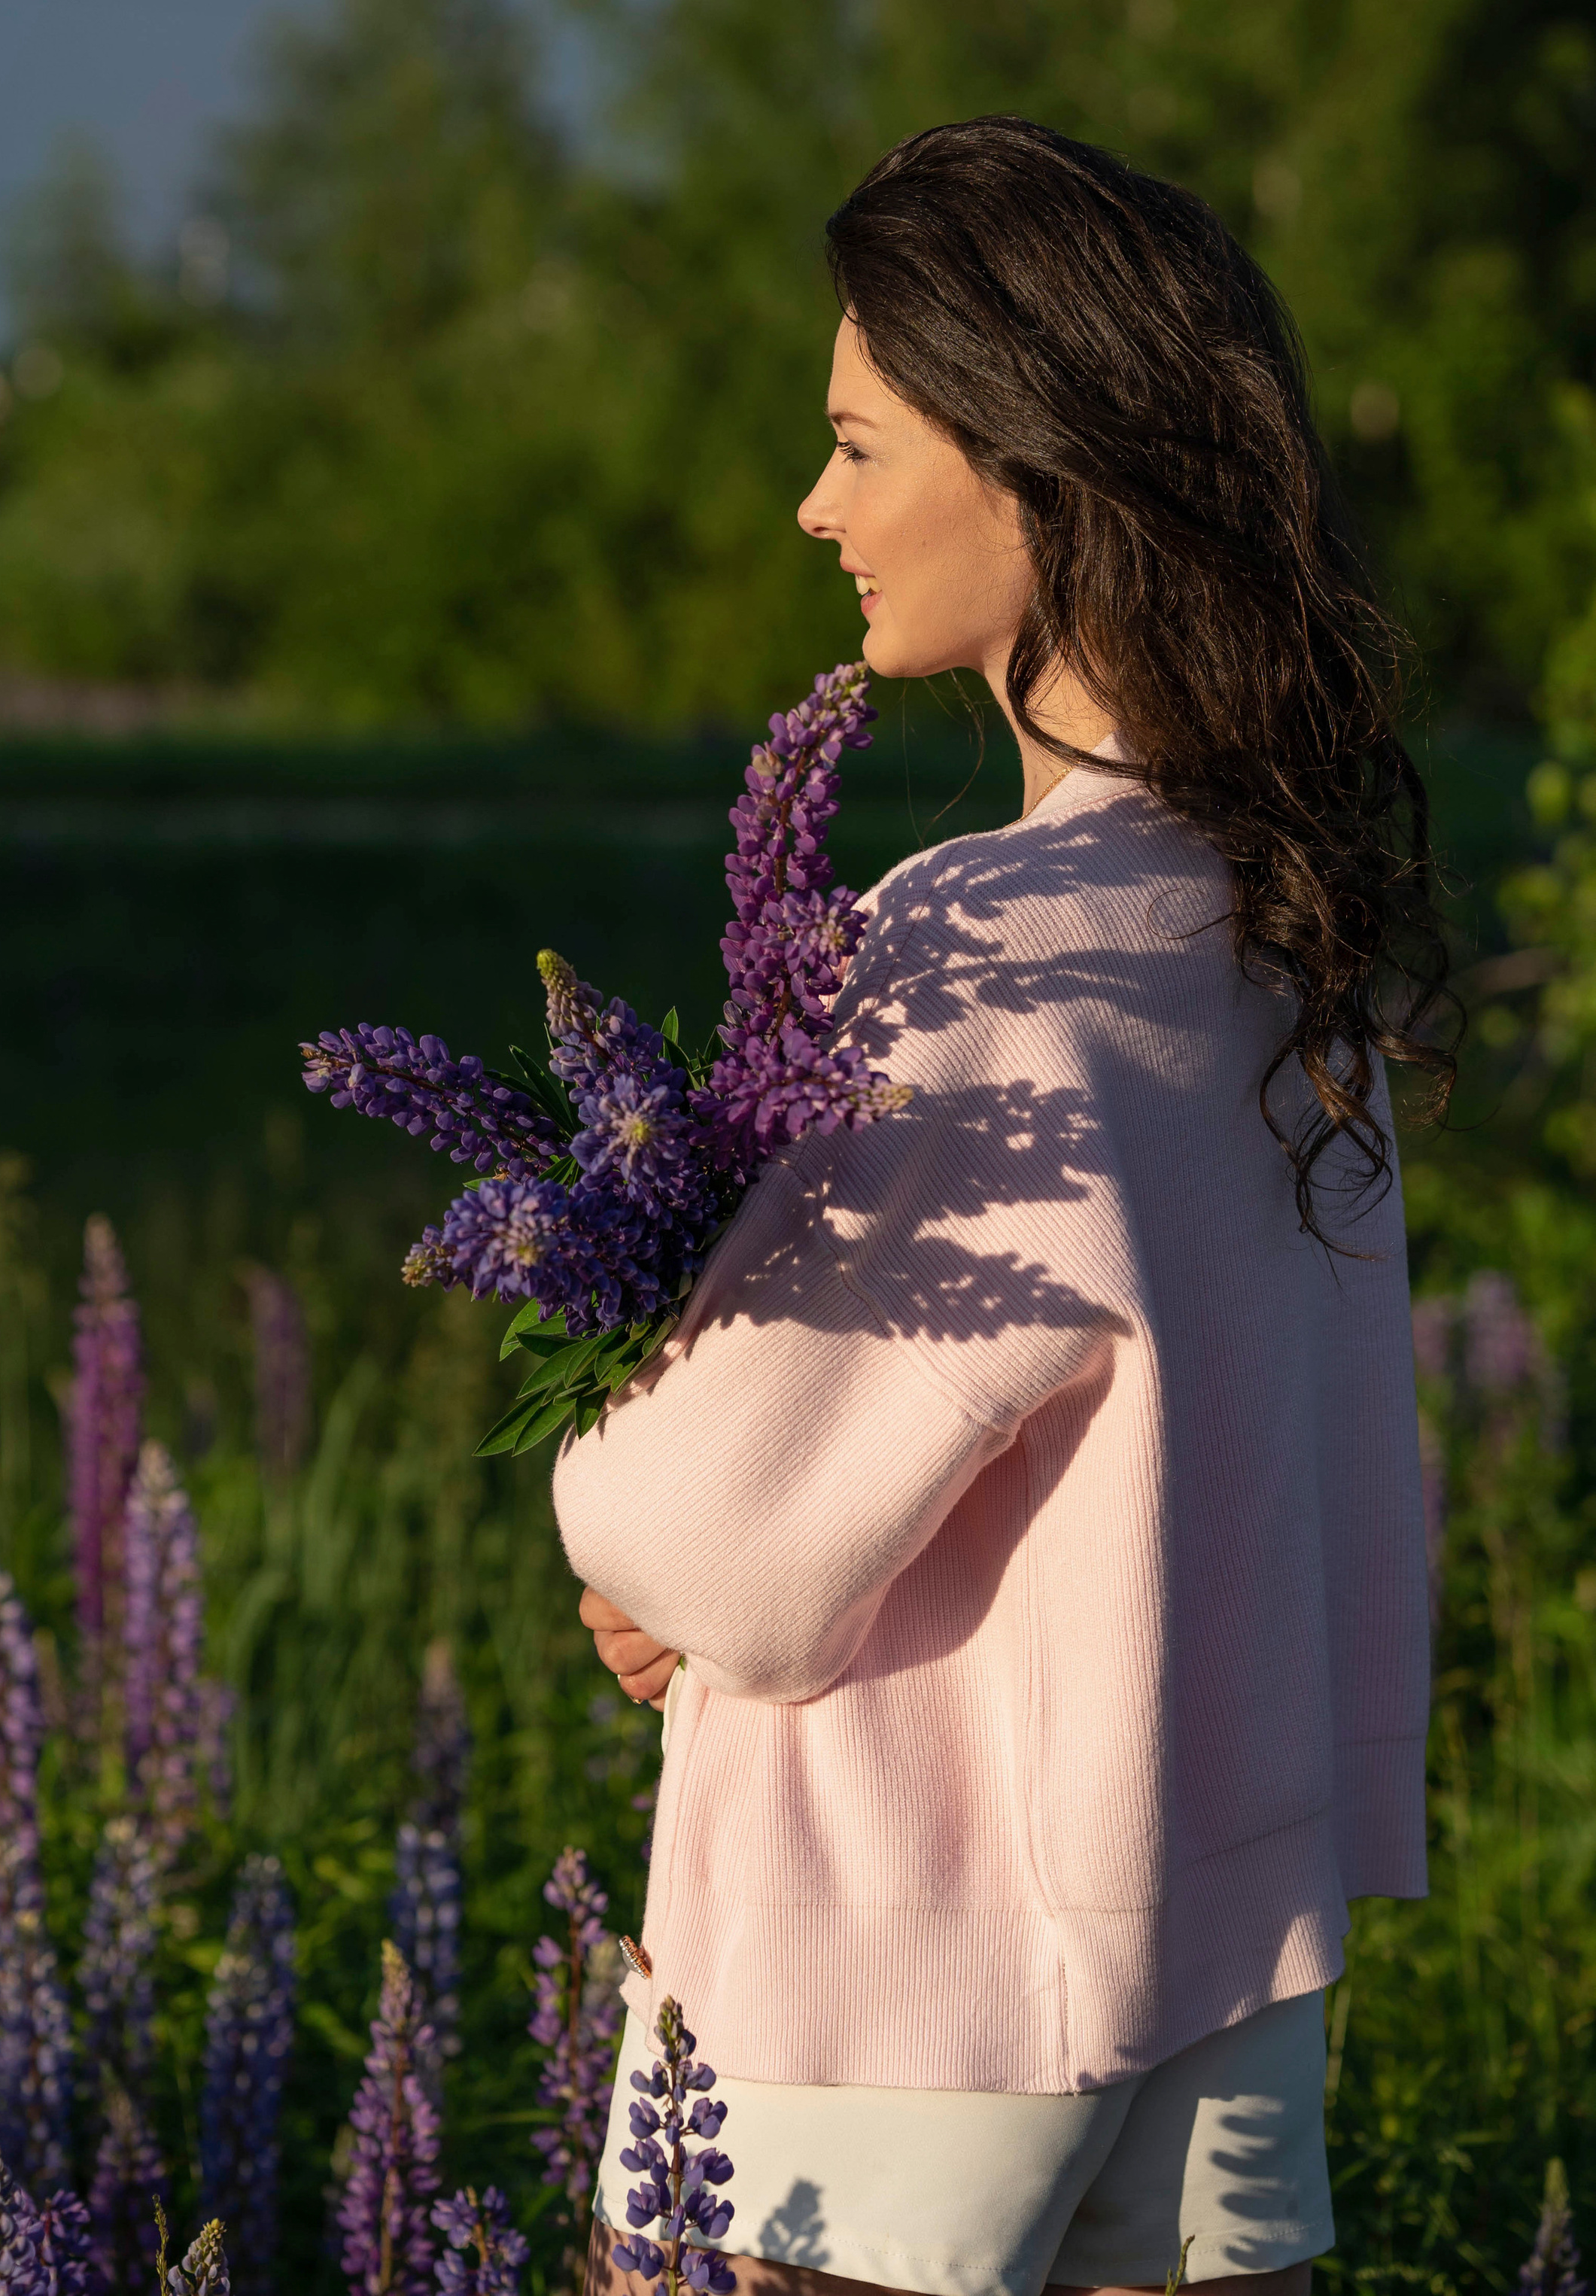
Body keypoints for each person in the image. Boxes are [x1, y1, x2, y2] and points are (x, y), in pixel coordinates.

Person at [554, 119, 1451, 2296]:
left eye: (860, 445)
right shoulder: (1280, 929)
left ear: (1033, 472)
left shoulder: (982, 953)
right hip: (1229, 1950)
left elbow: (728, 1545)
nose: (817, 506)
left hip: (891, 2015)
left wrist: (629, 1514)